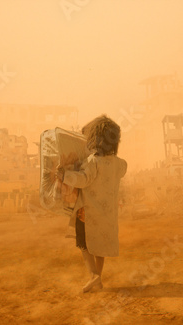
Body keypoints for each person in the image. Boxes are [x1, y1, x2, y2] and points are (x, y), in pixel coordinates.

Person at [57, 115, 127, 293]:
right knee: (100, 246)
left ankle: (93, 276)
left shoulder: (92, 162)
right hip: (107, 215)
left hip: (87, 213)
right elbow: (123, 168)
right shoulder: (119, 164)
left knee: (84, 244)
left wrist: (64, 175)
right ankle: (98, 278)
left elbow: (82, 180)